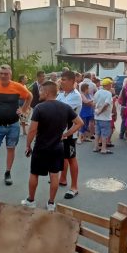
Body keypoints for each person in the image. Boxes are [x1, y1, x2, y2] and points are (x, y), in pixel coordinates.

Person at [22, 81, 82, 211]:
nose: (39, 93)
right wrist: (66, 134)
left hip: (41, 147)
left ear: (47, 92)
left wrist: (28, 145)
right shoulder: (65, 107)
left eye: (41, 91)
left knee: (34, 174)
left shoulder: (39, 108)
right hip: (57, 147)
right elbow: (79, 123)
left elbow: (32, 130)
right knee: (54, 175)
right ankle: (51, 203)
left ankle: (31, 200)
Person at [0, 65, 33, 185]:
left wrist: (23, 109)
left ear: (10, 75)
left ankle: (7, 173)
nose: (3, 75)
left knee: (10, 149)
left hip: (13, 125)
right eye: (1, 73)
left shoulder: (17, 86)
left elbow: (29, 96)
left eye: (6, 73)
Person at [56, 70, 82, 199]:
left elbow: (59, 110)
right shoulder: (62, 94)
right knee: (63, 156)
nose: (61, 81)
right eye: (61, 79)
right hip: (60, 132)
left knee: (71, 158)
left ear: (72, 81)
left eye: (64, 79)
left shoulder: (75, 96)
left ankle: (74, 187)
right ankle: (63, 179)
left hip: (69, 133)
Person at [93, 78, 114, 154]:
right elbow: (106, 104)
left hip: (97, 117)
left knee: (97, 132)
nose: (111, 86)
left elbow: (94, 103)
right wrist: (100, 111)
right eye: (110, 84)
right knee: (104, 133)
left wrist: (96, 111)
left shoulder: (97, 92)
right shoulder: (108, 93)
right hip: (105, 117)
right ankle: (103, 148)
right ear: (107, 85)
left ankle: (96, 147)